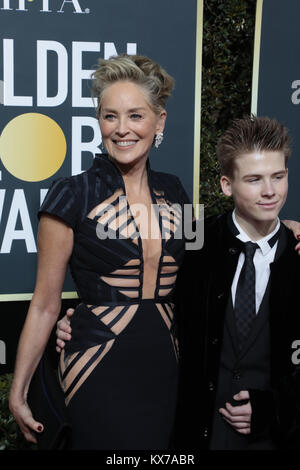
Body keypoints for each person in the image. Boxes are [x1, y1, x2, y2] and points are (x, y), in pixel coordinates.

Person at [9, 54, 191, 450]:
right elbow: (44, 304)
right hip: (96, 365)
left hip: (165, 369)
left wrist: (280, 227)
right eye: (110, 116)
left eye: (135, 116)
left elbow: (205, 269)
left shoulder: (176, 191)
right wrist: (18, 391)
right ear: (99, 122)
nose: (122, 129)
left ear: (159, 121)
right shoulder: (72, 194)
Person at [174, 115, 300, 450]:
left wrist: (275, 408)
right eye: (254, 179)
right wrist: (76, 322)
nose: (270, 191)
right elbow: (150, 301)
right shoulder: (195, 241)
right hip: (200, 434)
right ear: (227, 185)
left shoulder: (297, 254)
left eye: (278, 176)